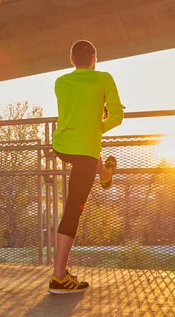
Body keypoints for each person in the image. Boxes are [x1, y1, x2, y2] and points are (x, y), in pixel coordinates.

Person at [48, 39, 124, 294]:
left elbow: (76, 111)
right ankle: (59, 277)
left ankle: (104, 174)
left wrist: (88, 127)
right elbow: (117, 117)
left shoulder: (60, 82)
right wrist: (96, 126)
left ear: (71, 61)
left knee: (87, 154)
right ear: (95, 59)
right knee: (72, 211)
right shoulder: (104, 78)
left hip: (61, 145)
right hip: (84, 151)